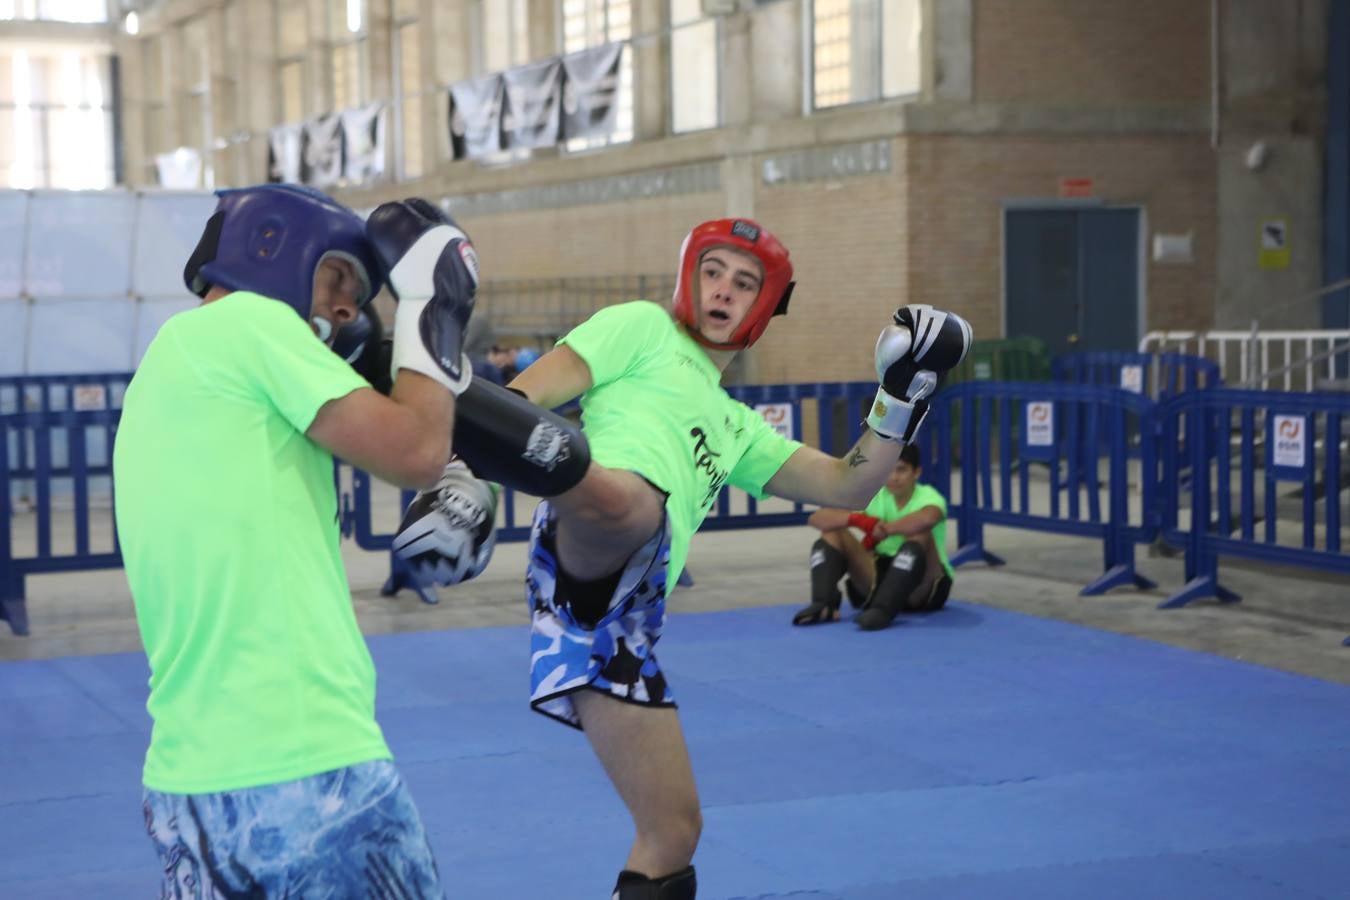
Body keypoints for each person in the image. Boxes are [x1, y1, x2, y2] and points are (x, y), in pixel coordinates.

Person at [421, 217, 971, 898]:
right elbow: (521, 402)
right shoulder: (639, 326)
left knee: (674, 829)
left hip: (628, 625)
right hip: (594, 534)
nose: (724, 292)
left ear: (764, 306)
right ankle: (425, 369)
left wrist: (902, 392)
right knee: (630, 504)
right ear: (688, 276)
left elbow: (847, 482)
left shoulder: (737, 426)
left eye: (745, 283)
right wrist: (463, 479)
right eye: (713, 272)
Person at [113, 185, 482, 896]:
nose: (346, 308)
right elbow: (415, 451)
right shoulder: (251, 326)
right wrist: (436, 302)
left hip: (189, 785)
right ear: (272, 245)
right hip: (302, 764)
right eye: (338, 277)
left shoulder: (173, 363)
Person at [791, 442, 954, 630]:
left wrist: (887, 529)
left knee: (921, 534)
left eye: (901, 470)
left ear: (916, 472)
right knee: (833, 531)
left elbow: (928, 518)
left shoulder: (929, 496)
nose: (894, 477)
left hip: (924, 586)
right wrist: (858, 520)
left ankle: (883, 609)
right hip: (882, 575)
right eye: (889, 470)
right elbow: (817, 519)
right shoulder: (875, 495)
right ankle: (823, 604)